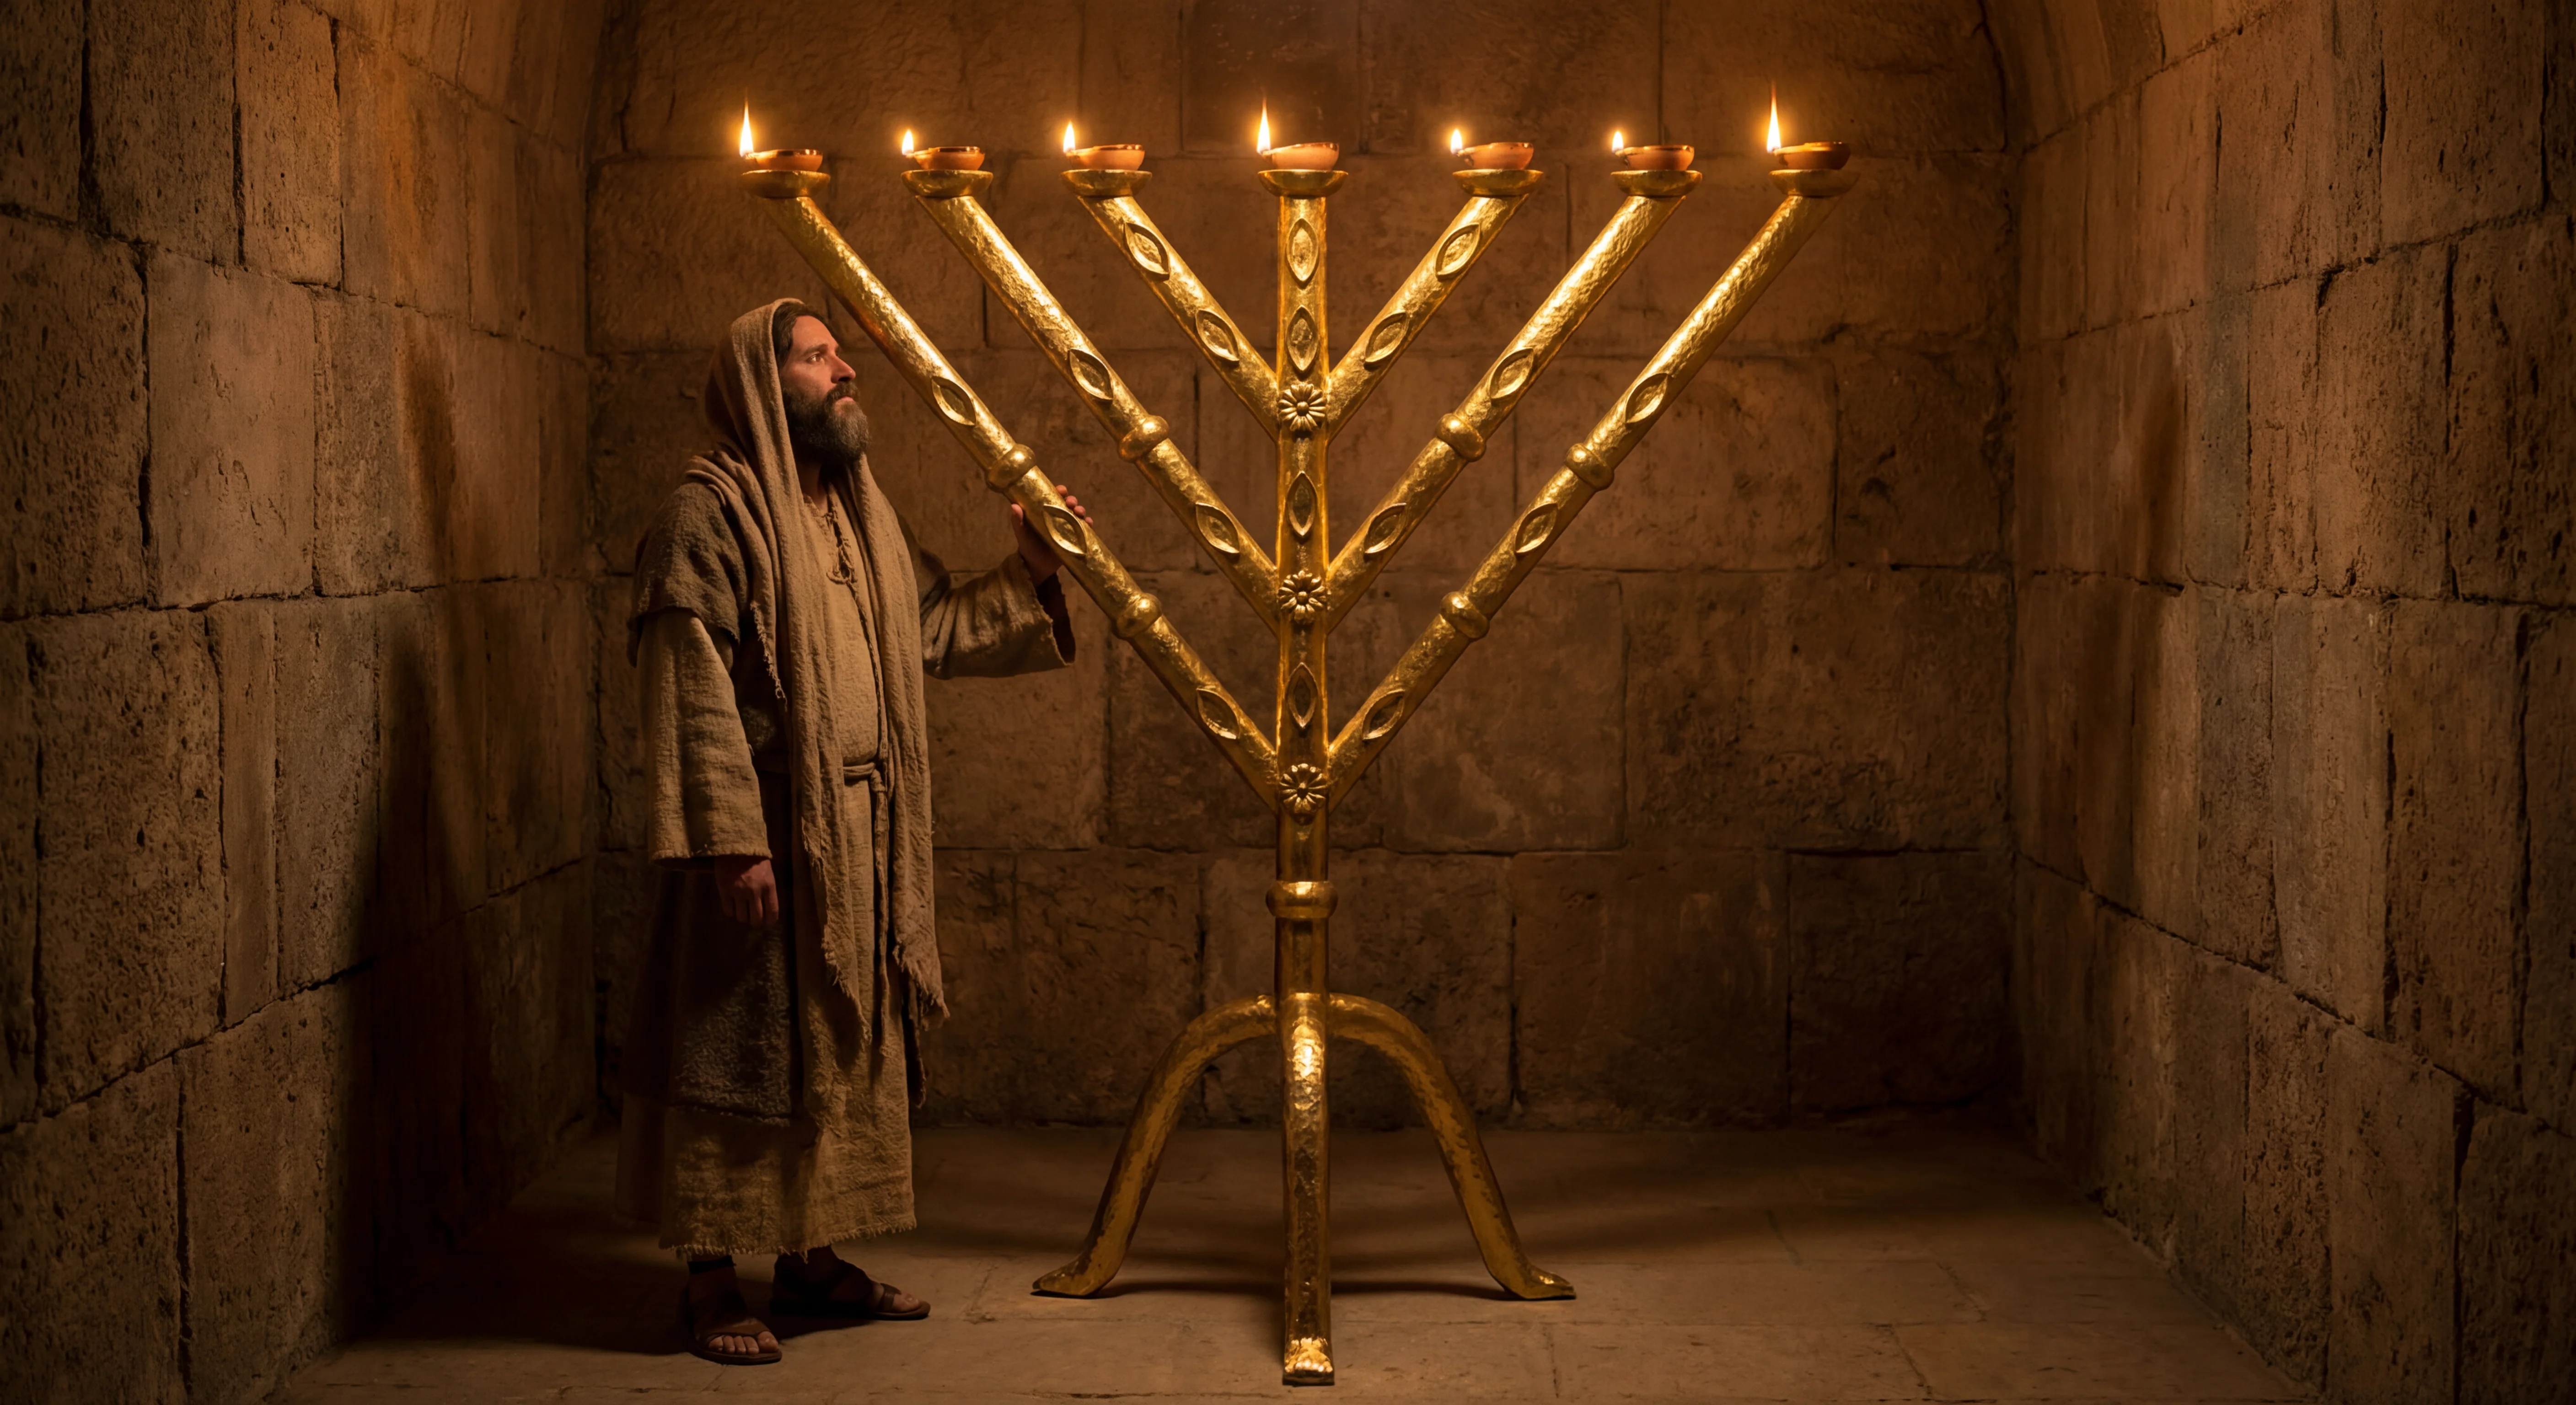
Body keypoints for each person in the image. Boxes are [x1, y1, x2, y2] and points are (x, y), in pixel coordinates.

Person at [617, 299, 1086, 1365]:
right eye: (818, 358)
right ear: (760, 382)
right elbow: (688, 682)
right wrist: (733, 839)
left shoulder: (857, 510)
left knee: (826, 1052)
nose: (846, 373)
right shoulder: (711, 511)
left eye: (840, 355)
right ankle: (708, 1283)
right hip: (765, 835)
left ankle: (810, 1263)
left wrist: (1035, 572)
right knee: (737, 1051)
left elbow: (934, 626)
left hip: (858, 835)